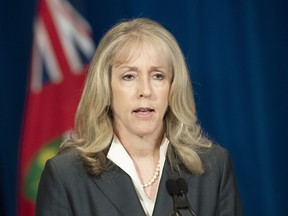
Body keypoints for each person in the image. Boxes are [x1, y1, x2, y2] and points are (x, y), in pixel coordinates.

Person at [35, 18, 243, 216]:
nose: (145, 90)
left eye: (158, 76)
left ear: (172, 88)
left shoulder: (213, 167)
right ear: (105, 89)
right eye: (129, 76)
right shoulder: (66, 175)